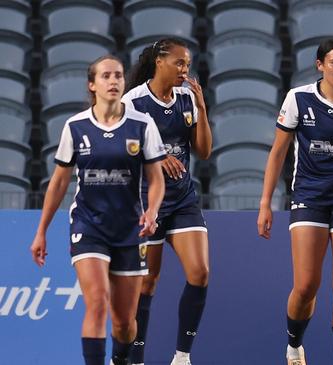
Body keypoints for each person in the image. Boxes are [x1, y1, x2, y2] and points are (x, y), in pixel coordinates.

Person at [29, 55, 166, 365]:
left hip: (129, 229)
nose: (114, 81)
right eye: (106, 76)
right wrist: (41, 232)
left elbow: (157, 180)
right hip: (88, 226)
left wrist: (153, 211)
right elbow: (59, 183)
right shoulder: (75, 127)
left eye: (118, 75)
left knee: (124, 322)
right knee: (97, 302)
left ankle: (120, 359)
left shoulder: (142, 125)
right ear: (92, 85)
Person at [257, 38, 333, 365]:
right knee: (307, 285)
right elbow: (278, 153)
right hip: (309, 195)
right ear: (320, 65)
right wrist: (266, 203)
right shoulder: (298, 98)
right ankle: (294, 345)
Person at [123, 38, 212, 365]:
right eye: (179, 63)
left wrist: (202, 108)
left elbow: (203, 151)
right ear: (160, 62)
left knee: (200, 272)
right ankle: (137, 358)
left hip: (183, 198)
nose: (184, 70)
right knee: (147, 283)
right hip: (147, 201)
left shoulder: (187, 98)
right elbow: (122, 148)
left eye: (187, 64)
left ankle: (182, 356)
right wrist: (157, 158)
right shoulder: (134, 101)